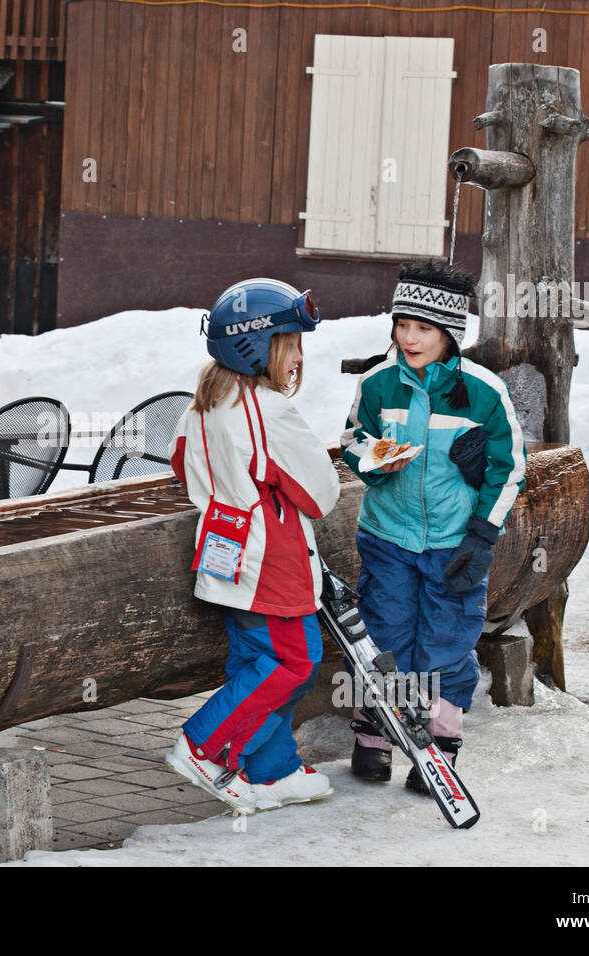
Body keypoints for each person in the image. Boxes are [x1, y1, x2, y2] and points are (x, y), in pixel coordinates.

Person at [339, 261, 526, 793]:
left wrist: (483, 534)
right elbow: (353, 440)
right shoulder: (378, 383)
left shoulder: (484, 391)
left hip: (454, 540)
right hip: (388, 536)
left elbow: (508, 467)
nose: (410, 338)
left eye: (424, 329)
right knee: (384, 636)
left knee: (446, 640)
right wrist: (377, 458)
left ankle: (438, 745)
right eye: (402, 325)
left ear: (450, 334)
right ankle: (374, 735)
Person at [165, 278, 341, 814]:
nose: (297, 358)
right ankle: (205, 745)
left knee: (255, 662)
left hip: (224, 548)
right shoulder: (267, 409)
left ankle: (271, 770)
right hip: (272, 558)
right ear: (257, 345)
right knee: (294, 659)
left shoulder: (202, 404)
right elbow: (320, 493)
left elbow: (180, 463)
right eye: (290, 344)